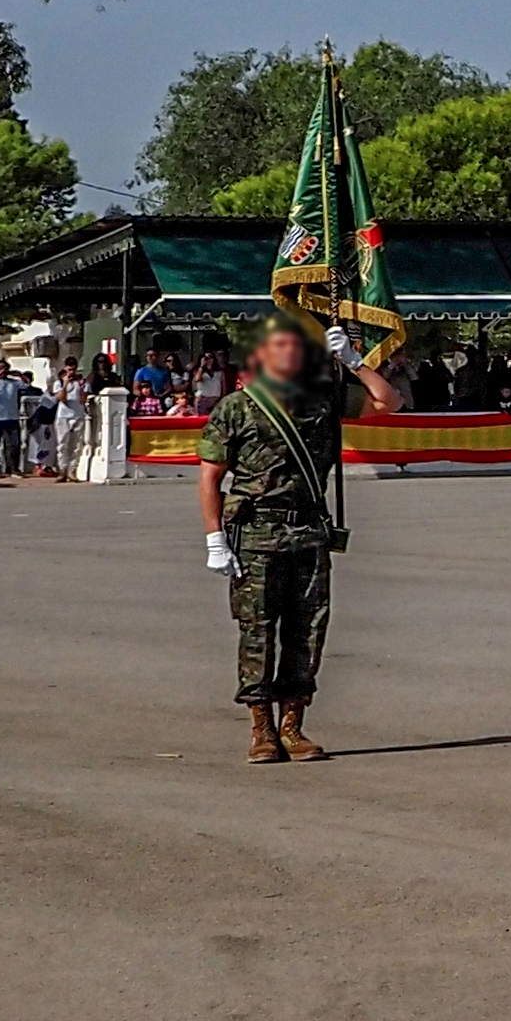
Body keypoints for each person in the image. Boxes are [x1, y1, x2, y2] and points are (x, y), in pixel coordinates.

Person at [196, 316, 409, 763]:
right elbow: (210, 477)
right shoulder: (237, 407)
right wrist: (215, 538)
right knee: (257, 631)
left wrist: (355, 361)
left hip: (309, 529)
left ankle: (293, 727)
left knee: (307, 631)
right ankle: (261, 730)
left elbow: (388, 402)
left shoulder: (324, 397)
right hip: (255, 531)